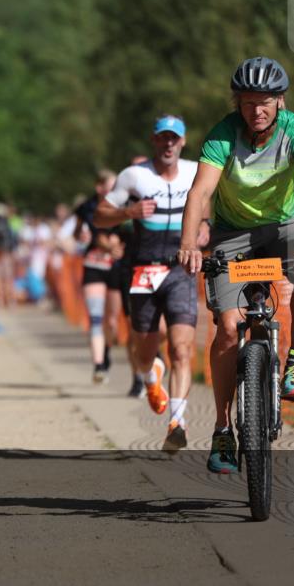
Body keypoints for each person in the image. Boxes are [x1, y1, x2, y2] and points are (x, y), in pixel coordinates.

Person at [178, 56, 294, 473]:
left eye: (265, 102)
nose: (257, 110)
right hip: (232, 234)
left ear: (280, 101)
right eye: (248, 102)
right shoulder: (222, 135)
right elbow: (200, 192)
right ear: (238, 103)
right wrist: (188, 244)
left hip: (284, 226)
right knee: (227, 330)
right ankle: (221, 429)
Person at [95, 115, 210, 452]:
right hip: (143, 269)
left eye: (174, 138)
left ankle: (178, 422)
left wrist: (205, 227)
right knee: (143, 347)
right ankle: (149, 375)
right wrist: (128, 213)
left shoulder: (195, 172)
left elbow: (208, 206)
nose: (169, 144)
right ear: (153, 140)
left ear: (183, 142)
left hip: (181, 269)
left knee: (182, 348)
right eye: (163, 138)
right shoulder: (135, 175)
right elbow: (100, 215)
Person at [74, 170, 120, 383]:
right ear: (99, 187)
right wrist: (82, 236)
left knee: (111, 321)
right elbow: (80, 233)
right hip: (93, 264)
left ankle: (107, 352)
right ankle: (99, 365)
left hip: (115, 267)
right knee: (95, 318)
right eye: (109, 186)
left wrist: (119, 246)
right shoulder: (87, 208)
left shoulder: (124, 204)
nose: (112, 191)